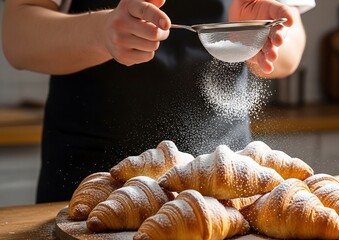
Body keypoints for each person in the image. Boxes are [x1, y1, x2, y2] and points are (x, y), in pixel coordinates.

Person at [2, 0, 315, 203]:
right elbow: (18, 38)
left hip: (225, 190)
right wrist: (103, 33)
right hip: (94, 188)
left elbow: (290, 45)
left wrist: (258, 36)